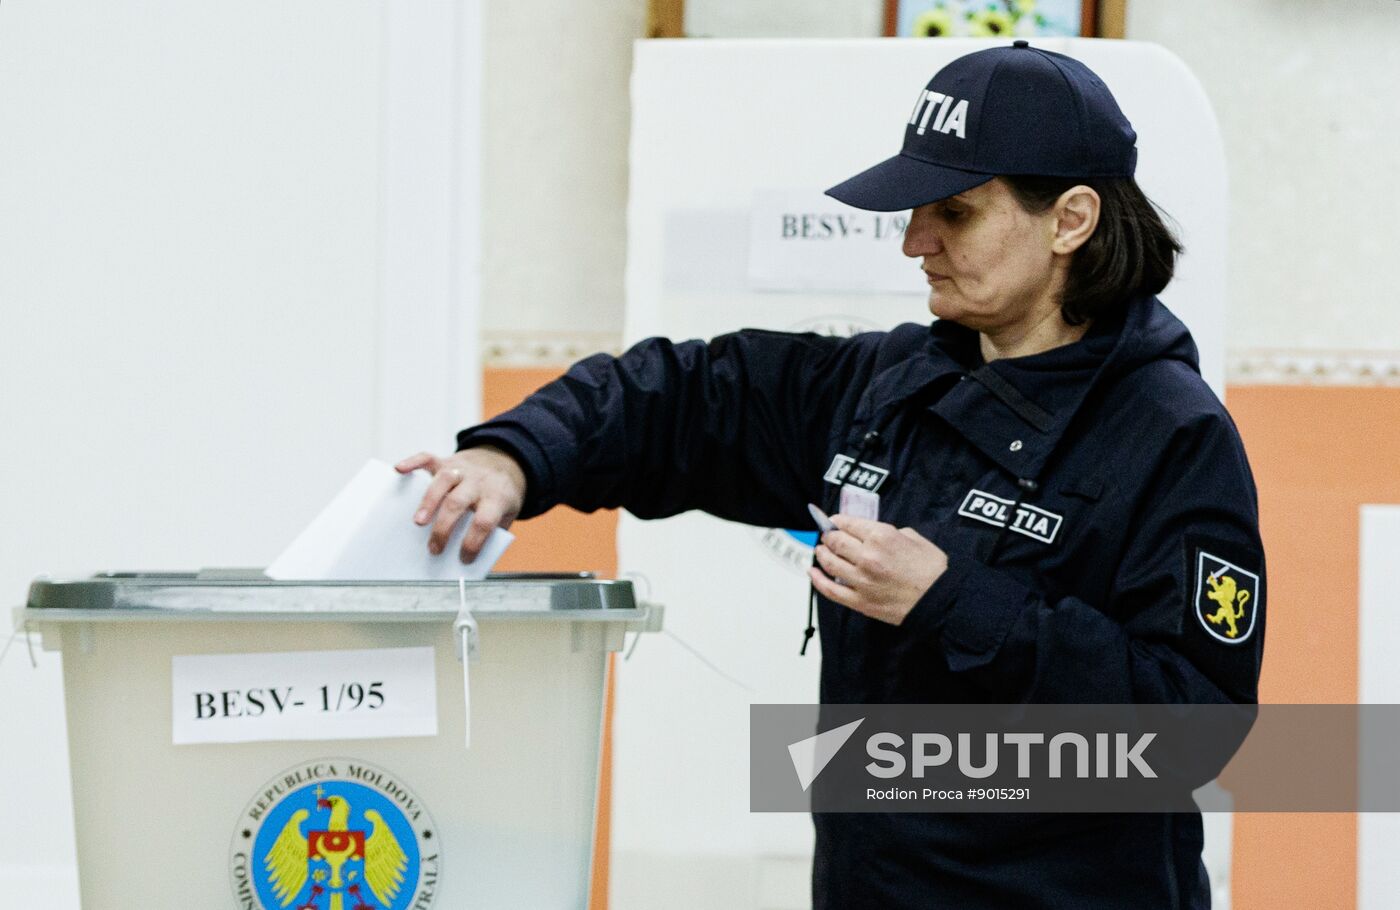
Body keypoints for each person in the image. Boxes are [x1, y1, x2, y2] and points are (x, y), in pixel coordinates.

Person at [398, 41, 1264, 909]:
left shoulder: (1174, 435)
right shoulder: (887, 386)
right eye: (916, 208)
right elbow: (682, 397)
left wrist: (956, 601)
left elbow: (1194, 730)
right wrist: (510, 457)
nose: (914, 241)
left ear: (1070, 221)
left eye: (954, 212)